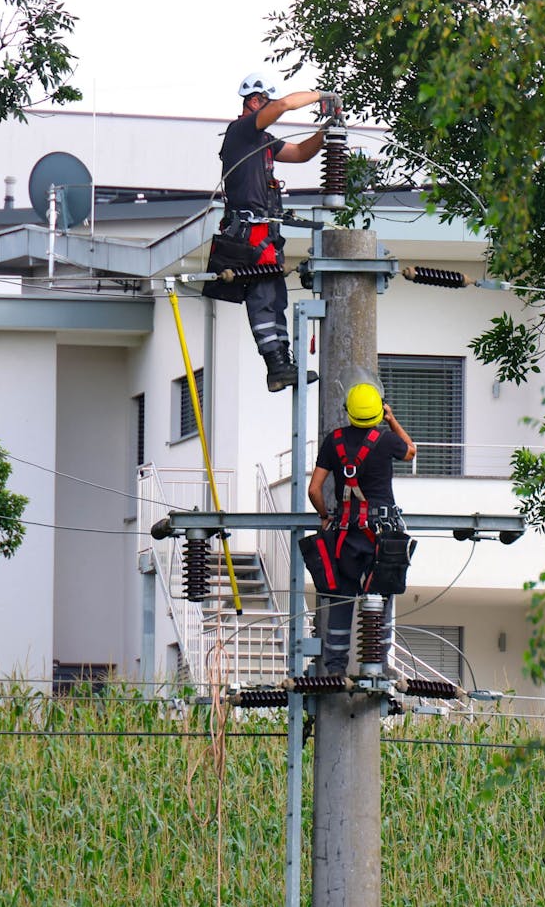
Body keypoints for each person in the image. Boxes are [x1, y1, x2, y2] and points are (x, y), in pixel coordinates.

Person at [205, 70, 341, 391]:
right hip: (250, 232)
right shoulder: (242, 131)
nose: (268, 107)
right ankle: (276, 366)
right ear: (255, 101)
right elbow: (283, 106)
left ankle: (280, 364)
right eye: (264, 101)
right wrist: (323, 96)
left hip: (264, 231)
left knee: (273, 295)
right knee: (264, 295)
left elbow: (301, 153)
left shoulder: (262, 141)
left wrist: (327, 131)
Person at [305, 383, 417, 675]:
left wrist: (325, 516)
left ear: (348, 412)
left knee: (342, 596)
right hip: (381, 536)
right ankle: (377, 666)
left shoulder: (334, 441)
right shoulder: (387, 439)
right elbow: (410, 452)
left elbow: (314, 489)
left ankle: (334, 668)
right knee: (380, 596)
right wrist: (391, 419)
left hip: (345, 535)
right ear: (378, 412)